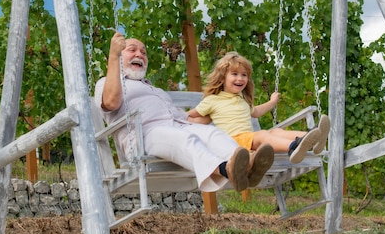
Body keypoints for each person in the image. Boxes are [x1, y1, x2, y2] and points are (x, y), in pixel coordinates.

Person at [94, 33, 275, 193]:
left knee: (213, 133)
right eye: (131, 50)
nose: (139, 54)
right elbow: (110, 102)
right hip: (145, 135)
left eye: (143, 52)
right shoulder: (108, 82)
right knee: (185, 139)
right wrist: (113, 55)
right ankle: (227, 170)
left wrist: (222, 106)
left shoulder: (156, 91)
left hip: (178, 126)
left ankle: (248, 166)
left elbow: (188, 119)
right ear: (119, 57)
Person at [187, 52, 330, 164]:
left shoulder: (242, 99)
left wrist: (272, 102)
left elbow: (255, 112)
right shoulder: (213, 100)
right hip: (234, 143)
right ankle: (293, 147)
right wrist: (184, 120)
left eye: (244, 75)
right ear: (222, 77)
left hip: (247, 140)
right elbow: (191, 115)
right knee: (262, 135)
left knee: (275, 131)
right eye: (235, 74)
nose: (240, 78)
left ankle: (311, 137)